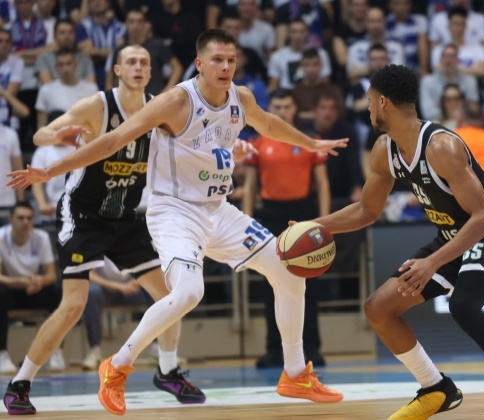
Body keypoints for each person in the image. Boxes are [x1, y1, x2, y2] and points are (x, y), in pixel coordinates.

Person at [7, 29, 347, 416]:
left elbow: (268, 123)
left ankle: (295, 373)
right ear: (199, 64)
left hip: (219, 210)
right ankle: (117, 367)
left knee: (288, 270)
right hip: (175, 212)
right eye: (217, 60)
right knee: (188, 293)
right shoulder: (174, 102)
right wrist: (49, 171)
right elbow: (110, 142)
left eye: (231, 60)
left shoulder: (242, 98)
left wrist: (310, 143)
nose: (225, 67)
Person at [309, 64, 484, 420]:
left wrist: (432, 262)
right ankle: (436, 389)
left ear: (383, 102)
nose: (367, 109)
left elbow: (483, 217)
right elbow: (367, 210)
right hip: (454, 235)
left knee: (463, 306)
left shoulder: (441, 146)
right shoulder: (384, 149)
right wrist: (313, 226)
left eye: (369, 101)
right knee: (379, 308)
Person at [3, 45, 205, 417]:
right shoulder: (97, 106)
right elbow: (40, 135)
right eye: (131, 62)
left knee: (172, 297)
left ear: (150, 71)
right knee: (73, 306)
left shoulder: (159, 108)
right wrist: (59, 135)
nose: (139, 67)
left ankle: (168, 371)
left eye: (145, 62)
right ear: (117, 70)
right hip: (83, 216)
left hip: (125, 218)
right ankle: (20, 383)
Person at [243, 89, 330, 368]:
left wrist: (323, 223)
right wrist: (247, 223)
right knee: (270, 284)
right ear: (270, 108)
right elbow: (250, 186)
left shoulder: (308, 140)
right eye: (277, 106)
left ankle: (312, 349)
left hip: (303, 214)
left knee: (309, 285)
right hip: (269, 215)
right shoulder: (258, 141)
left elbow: (323, 184)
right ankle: (273, 350)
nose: (282, 111)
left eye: (287, 106)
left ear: (296, 108)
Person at [0, 202, 60, 375]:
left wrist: (39, 281)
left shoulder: (41, 237)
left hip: (34, 289)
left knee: (58, 292)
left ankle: (56, 353)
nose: (25, 222)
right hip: (11, 290)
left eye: (29, 218)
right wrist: (20, 281)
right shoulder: (1, 237)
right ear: (11, 220)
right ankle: (2, 355)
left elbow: (51, 275)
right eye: (20, 218)